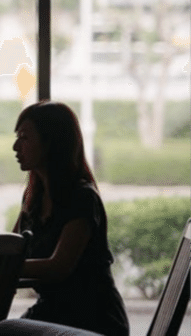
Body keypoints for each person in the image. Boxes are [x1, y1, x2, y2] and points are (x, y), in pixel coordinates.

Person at [11, 101, 129, 335]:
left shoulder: (82, 198)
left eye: (25, 137)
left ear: (51, 142)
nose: (15, 146)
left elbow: (59, 267)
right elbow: (12, 247)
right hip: (55, 314)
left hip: (94, 321)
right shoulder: (34, 196)